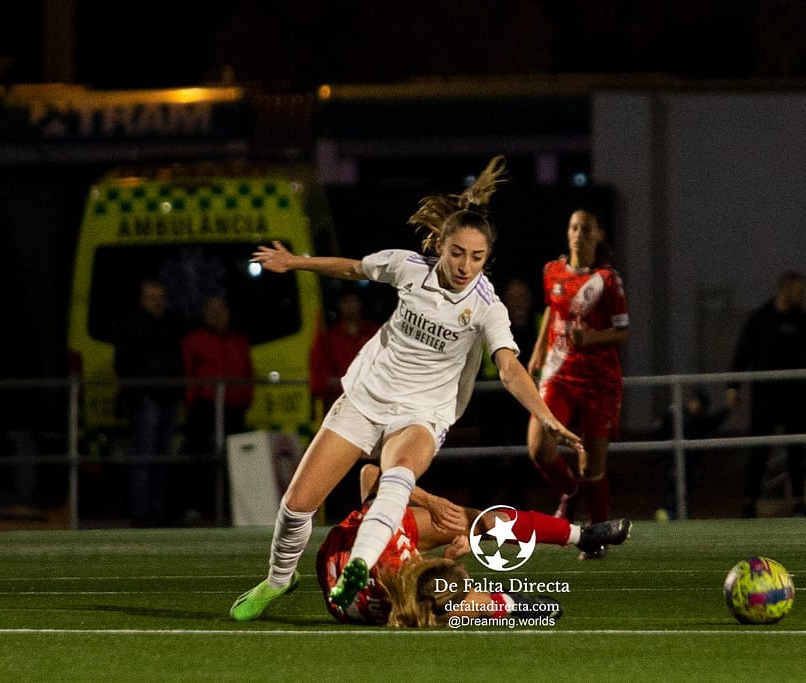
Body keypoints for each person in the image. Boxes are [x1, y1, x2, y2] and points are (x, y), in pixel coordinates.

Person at [229, 155, 585, 621]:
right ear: (440, 245)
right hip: (367, 398)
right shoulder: (408, 267)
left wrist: (545, 415)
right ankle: (279, 580)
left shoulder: (486, 306)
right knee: (296, 506)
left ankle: (359, 565)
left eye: (477, 258)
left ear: (486, 259)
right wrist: (295, 262)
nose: (465, 265)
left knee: (396, 478)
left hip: (423, 413)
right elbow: (354, 268)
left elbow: (510, 368)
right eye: (457, 253)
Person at [315, 463, 631, 627]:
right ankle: (577, 538)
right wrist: (515, 604)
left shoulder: (387, 536)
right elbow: (459, 601)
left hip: (348, 553)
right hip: (366, 582)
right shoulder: (420, 606)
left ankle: (581, 536)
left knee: (476, 522)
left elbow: (370, 473)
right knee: (462, 602)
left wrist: (430, 501)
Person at [526, 208, 629, 559]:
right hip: (559, 374)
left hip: (599, 381)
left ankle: (597, 535)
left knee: (593, 467)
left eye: (586, 228)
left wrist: (594, 336)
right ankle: (569, 492)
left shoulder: (607, 280)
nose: (578, 234)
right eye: (573, 227)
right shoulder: (552, 271)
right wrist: (539, 351)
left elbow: (623, 330)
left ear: (598, 235)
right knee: (539, 446)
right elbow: (552, 312)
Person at [726, 270, 806, 518]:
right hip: (765, 396)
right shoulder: (761, 318)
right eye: (800, 291)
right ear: (786, 289)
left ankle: (799, 502)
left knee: (796, 450)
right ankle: (749, 503)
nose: (804, 296)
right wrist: (733, 385)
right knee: (759, 449)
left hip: (795, 397)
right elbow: (743, 352)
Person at [113, 278, 184, 527]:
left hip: (166, 397)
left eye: (160, 297)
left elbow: (176, 360)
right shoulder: (132, 324)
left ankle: (157, 511)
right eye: (152, 297)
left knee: (162, 458)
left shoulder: (168, 324)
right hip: (146, 398)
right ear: (142, 299)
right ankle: (142, 513)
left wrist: (178, 390)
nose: (157, 302)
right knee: (144, 458)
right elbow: (123, 363)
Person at [180, 295, 255, 524]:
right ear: (205, 314)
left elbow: (248, 372)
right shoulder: (194, 340)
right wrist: (193, 401)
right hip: (204, 408)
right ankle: (197, 508)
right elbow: (188, 373)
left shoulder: (240, 341)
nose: (218, 314)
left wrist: (245, 397)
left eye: (221, 309)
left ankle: (235, 511)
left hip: (234, 408)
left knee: (237, 460)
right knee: (200, 458)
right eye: (212, 309)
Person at [473, 276, 540, 509]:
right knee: (488, 456)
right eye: (513, 297)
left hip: (528, 401)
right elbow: (491, 368)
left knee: (524, 457)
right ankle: (479, 509)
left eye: (523, 296)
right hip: (496, 398)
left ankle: (519, 509)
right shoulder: (496, 326)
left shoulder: (540, 323)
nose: (519, 301)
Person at [654, 387, 730, 521]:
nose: (694, 404)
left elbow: (712, 422)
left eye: (698, 403)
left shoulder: (699, 421)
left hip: (690, 465)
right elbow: (660, 433)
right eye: (693, 401)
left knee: (686, 495)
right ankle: (669, 515)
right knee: (672, 493)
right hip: (673, 463)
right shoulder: (675, 414)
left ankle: (682, 517)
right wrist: (660, 457)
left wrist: (727, 409)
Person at [310, 288, 379, 414]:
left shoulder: (375, 334)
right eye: (346, 301)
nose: (351, 305)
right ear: (339, 305)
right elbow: (319, 381)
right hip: (341, 407)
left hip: (373, 404)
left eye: (354, 301)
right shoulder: (329, 338)